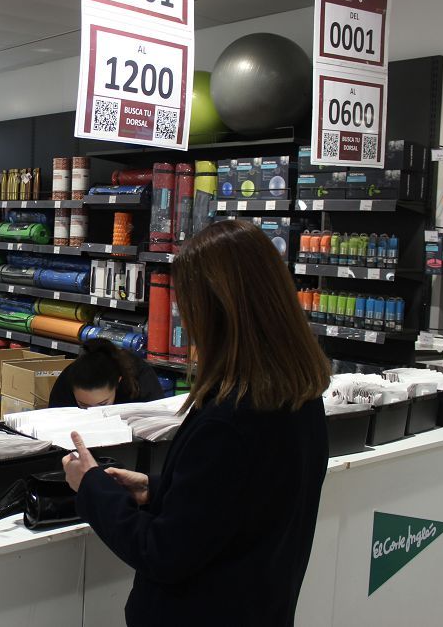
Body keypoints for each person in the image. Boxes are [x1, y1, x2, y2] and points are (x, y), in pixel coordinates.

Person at [63, 220, 330, 626]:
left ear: (216, 311)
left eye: (186, 303)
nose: (182, 317)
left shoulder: (230, 420)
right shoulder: (301, 397)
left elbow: (163, 554)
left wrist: (93, 486)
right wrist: (157, 489)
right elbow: (243, 504)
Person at [48, 338, 164, 408]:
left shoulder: (140, 379)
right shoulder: (66, 381)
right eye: (83, 406)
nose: (93, 413)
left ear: (118, 382)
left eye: (102, 404)